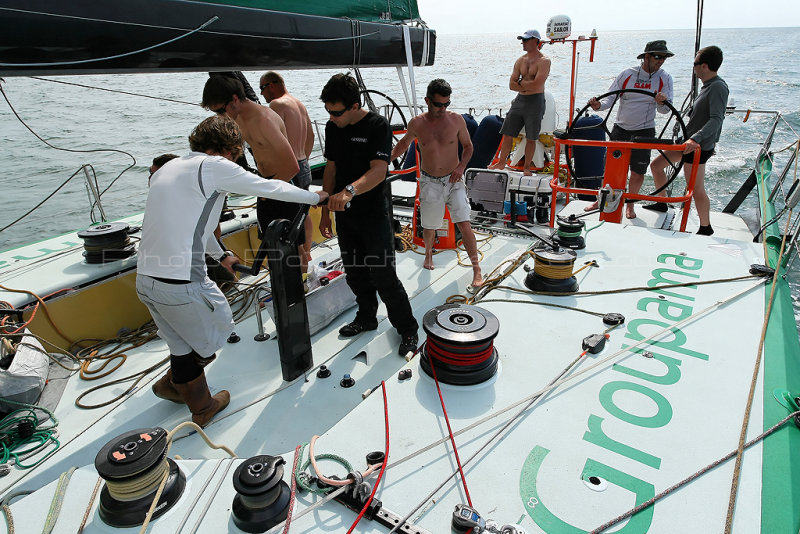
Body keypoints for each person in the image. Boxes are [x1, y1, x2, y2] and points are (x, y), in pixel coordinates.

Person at [138, 115, 327, 427]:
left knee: (181, 343)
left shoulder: (169, 167)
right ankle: (195, 399)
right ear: (228, 150)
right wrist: (315, 196)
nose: (236, 160)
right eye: (237, 154)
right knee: (218, 328)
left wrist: (222, 253)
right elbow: (268, 187)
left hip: (146, 280)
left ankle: (178, 389)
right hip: (181, 281)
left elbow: (197, 227)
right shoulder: (214, 166)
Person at [318, 73, 419, 356]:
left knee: (383, 275)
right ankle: (366, 317)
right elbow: (331, 168)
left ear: (354, 106)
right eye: (327, 111)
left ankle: (408, 329)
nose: (331, 116)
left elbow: (378, 171)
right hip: (343, 213)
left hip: (373, 214)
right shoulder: (332, 126)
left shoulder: (377, 125)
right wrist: (326, 211)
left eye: (336, 111)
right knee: (355, 273)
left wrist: (349, 191)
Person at [391, 79, 483, 290]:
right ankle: (428, 254)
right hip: (429, 181)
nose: (443, 109)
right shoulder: (416, 123)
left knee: (464, 223)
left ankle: (476, 268)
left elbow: (468, 147)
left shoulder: (457, 120)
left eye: (446, 105)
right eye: (438, 105)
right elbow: (404, 143)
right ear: (427, 101)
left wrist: (461, 167)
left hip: (454, 179)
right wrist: (385, 160)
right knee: (430, 225)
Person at [201, 76, 300, 244]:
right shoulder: (236, 118)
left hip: (281, 184)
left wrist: (266, 192)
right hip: (265, 186)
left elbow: (292, 167)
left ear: (234, 99)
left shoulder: (264, 120)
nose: (219, 117)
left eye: (220, 111)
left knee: (292, 248)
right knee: (269, 245)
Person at [584, 40, 674, 219]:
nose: (661, 60)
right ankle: (601, 200)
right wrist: (597, 106)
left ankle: (630, 205)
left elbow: (665, 110)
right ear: (646, 56)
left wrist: (660, 102)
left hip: (645, 132)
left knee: (637, 172)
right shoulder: (627, 74)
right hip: (621, 130)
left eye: (664, 57)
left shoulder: (665, 79)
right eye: (657, 56)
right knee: (611, 169)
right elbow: (609, 100)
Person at [650, 46, 728, 236]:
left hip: (697, 146)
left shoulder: (718, 87)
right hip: (687, 144)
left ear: (704, 66)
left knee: (696, 189)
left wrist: (695, 139)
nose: (692, 68)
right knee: (656, 166)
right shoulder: (708, 86)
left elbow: (716, 119)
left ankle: (705, 227)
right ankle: (662, 203)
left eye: (695, 64)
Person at [260, 71, 316, 272]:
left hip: (289, 169)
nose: (262, 95)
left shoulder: (277, 105)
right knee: (304, 213)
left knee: (292, 219)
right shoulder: (298, 103)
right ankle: (307, 255)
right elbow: (310, 135)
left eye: (262, 89)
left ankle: (300, 265)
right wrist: (304, 159)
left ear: (272, 85)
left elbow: (273, 141)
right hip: (303, 164)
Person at [489, 29, 551, 177]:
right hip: (520, 100)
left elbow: (538, 84)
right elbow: (511, 84)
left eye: (526, 39)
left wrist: (521, 84)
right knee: (507, 132)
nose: (522, 42)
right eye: (522, 39)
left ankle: (527, 167)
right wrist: (525, 85)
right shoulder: (520, 60)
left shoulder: (544, 61)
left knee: (532, 137)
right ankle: (502, 162)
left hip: (535, 101)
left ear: (536, 41)